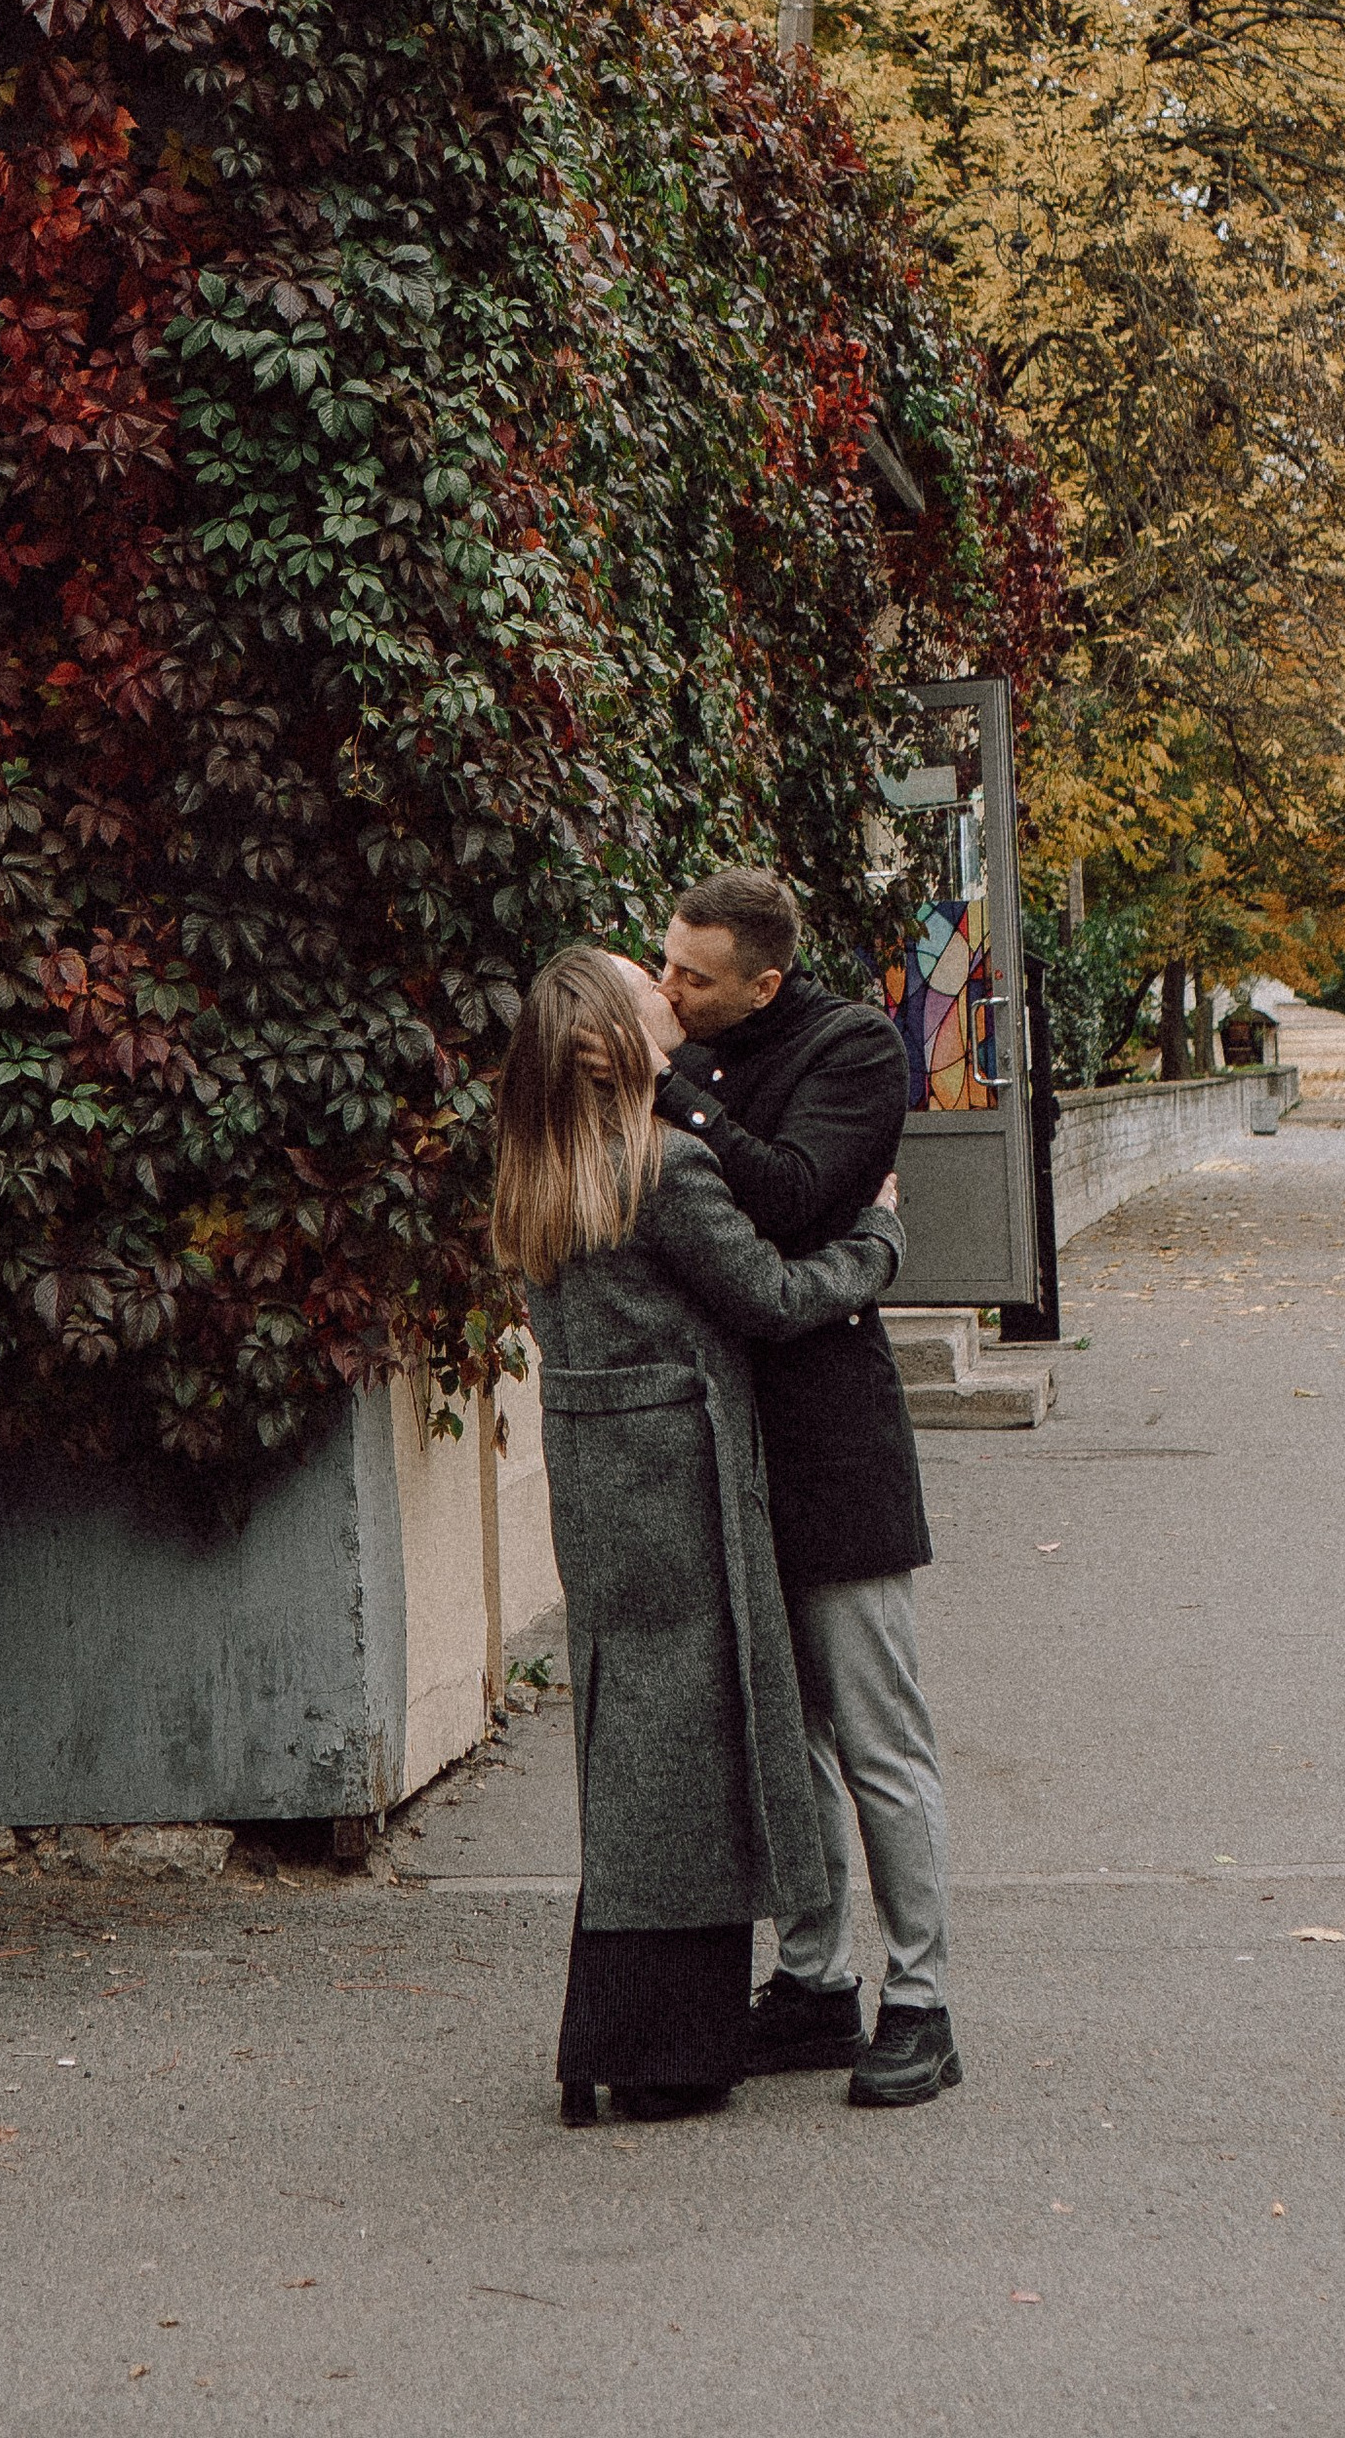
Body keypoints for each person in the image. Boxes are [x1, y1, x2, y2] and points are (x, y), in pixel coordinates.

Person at [493, 943, 906, 2129]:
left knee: (632, 1736)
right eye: (645, 988)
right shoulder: (664, 1167)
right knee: (693, 1741)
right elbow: (771, 1301)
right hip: (682, 1478)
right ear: (618, 1037)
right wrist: (875, 1246)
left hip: (600, 1479)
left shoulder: (546, 1166)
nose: (666, 995)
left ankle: (617, 2034)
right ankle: (664, 2047)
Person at [653, 865, 962, 2110]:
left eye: (693, 976)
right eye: (664, 963)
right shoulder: (708, 1046)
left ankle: (924, 2005)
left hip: (832, 1441)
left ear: (763, 981)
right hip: (725, 1447)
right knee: (788, 1739)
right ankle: (815, 1984)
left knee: (878, 1738)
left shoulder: (851, 1051)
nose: (667, 988)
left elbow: (787, 1199)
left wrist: (673, 1100)